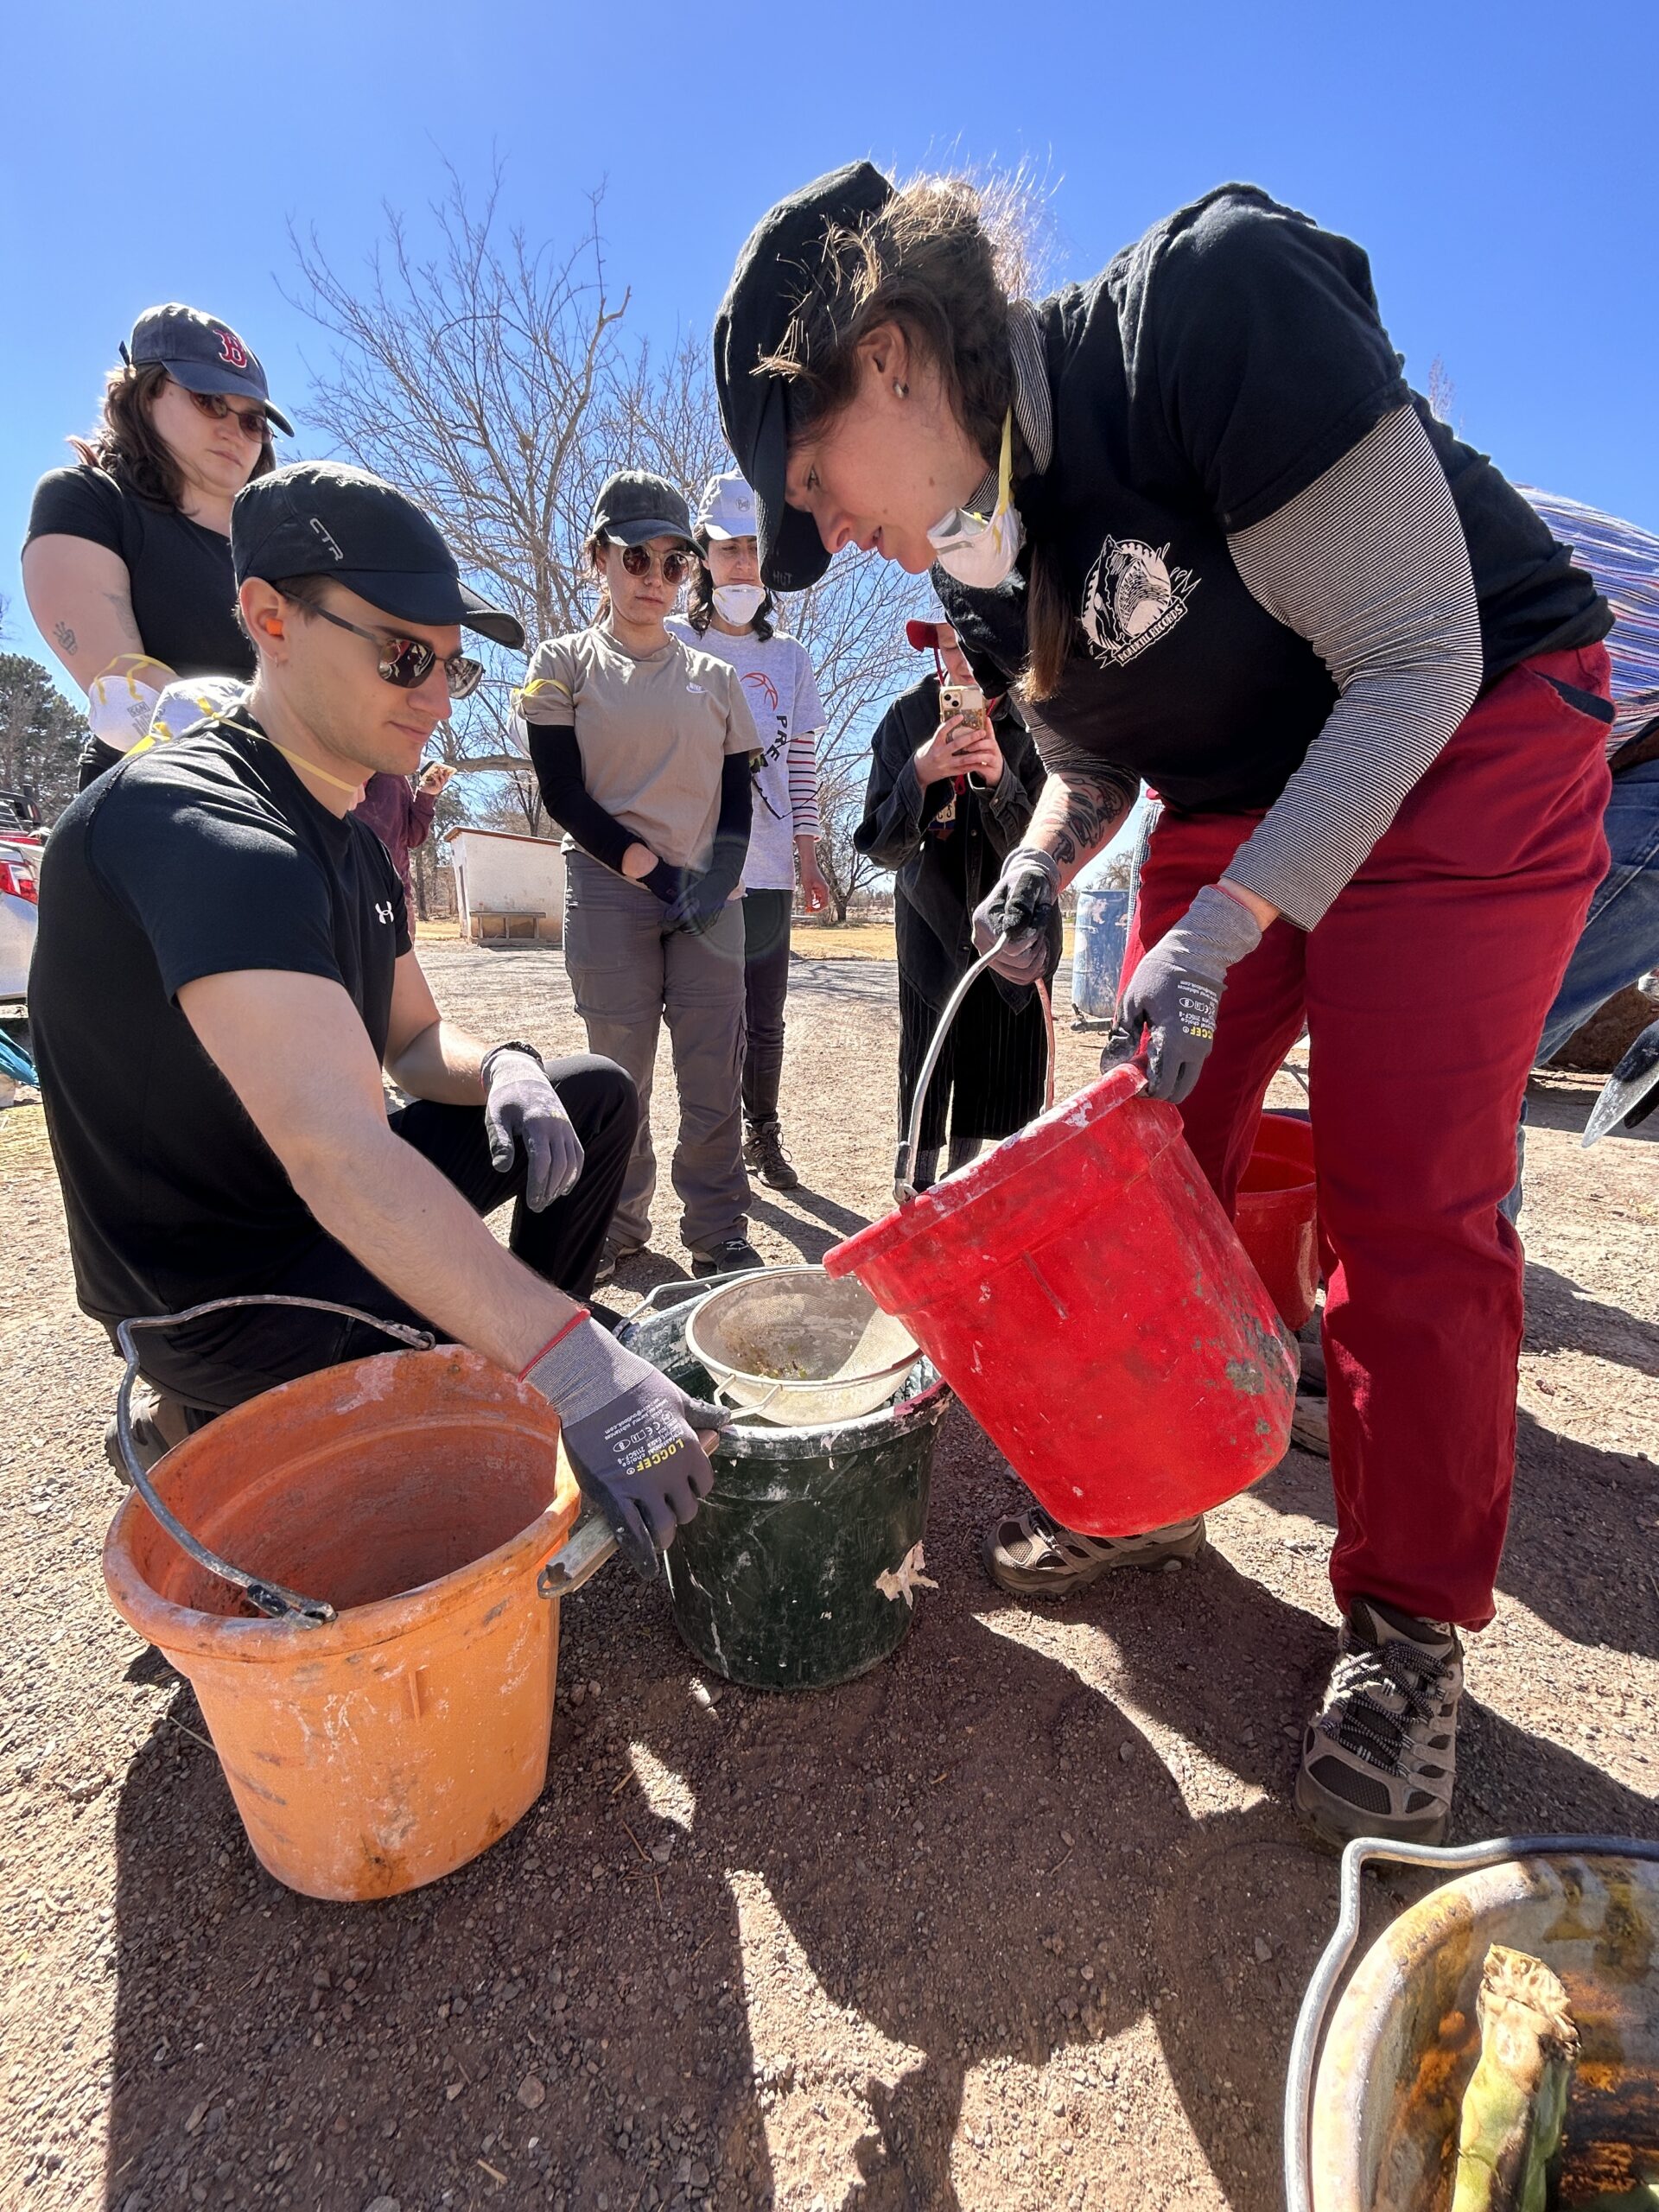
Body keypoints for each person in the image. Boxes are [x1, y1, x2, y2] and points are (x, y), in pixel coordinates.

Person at [715, 165, 1614, 1845]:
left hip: (1467, 726)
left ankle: (1411, 1629)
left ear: (896, 358)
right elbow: (1098, 763)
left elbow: (1413, 655)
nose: (827, 532)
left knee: (1401, 1183)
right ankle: (1155, 1470)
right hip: (1243, 783)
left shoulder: (1210, 309)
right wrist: (1042, 869)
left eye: (817, 482)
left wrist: (1241, 916)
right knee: (1141, 1137)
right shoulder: (984, 544)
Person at [29, 461, 721, 1578]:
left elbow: (408, 1042)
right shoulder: (201, 825)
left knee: (590, 1091)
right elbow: (340, 1153)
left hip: (311, 1219)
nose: (438, 694)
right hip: (219, 1288)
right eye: (405, 656)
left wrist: (500, 1064)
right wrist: (574, 1366)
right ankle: (218, 1417)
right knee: (488, 1382)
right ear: (271, 619)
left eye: (453, 663)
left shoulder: (348, 828)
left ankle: (516, 1351)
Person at [518, 470, 763, 1282]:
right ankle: (617, 1226)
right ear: (598, 559)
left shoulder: (719, 679)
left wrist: (716, 876)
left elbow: (737, 798)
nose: (655, 579)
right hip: (610, 891)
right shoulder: (561, 665)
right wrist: (658, 877)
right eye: (636, 560)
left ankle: (718, 1227)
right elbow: (562, 794)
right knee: (619, 1077)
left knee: (710, 1071)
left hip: (710, 900)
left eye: (674, 563)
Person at [23, 304, 289, 788]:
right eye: (209, 401)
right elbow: (130, 698)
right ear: (143, 395)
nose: (233, 430)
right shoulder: (90, 500)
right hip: (156, 810)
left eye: (253, 422)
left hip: (302, 820)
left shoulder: (280, 550)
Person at [855, 613, 1053, 1198]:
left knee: (998, 1066)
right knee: (927, 1061)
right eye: (950, 648)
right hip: (929, 923)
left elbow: (1054, 841)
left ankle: (972, 1191)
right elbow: (880, 849)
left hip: (1012, 923)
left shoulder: (1036, 719)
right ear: (934, 653)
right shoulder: (903, 720)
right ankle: (914, 1189)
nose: (963, 665)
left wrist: (999, 781)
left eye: (975, 648)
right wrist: (921, 774)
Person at [670, 470, 830, 1191]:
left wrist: (810, 856)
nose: (743, 563)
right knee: (710, 1020)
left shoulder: (790, 659)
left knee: (766, 1019)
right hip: (693, 867)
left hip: (766, 869)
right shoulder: (671, 641)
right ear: (703, 554)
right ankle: (714, 1145)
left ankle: (765, 1135)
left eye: (755, 549)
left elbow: (801, 767)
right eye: (730, 547)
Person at [354, 758, 455, 931]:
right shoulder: (342, 764)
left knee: (401, 956)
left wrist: (427, 794)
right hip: (352, 888)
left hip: (396, 891)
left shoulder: (396, 779)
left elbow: (414, 837)